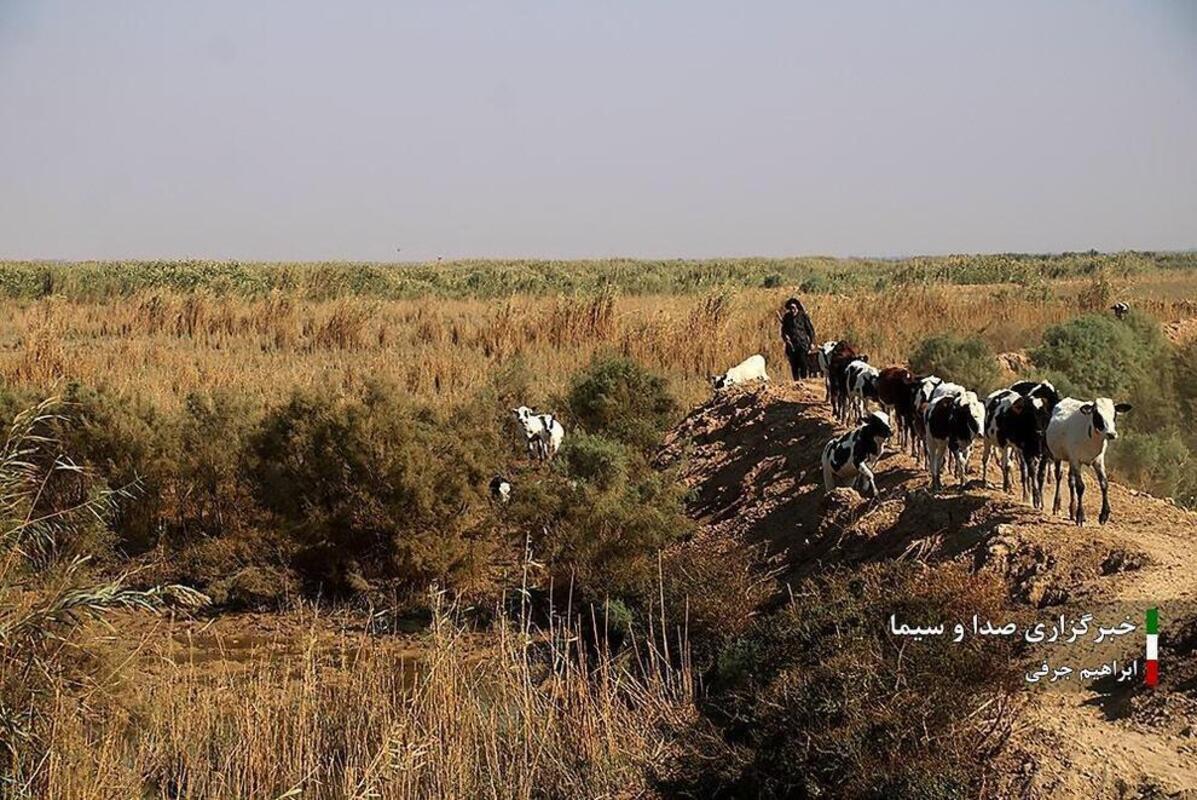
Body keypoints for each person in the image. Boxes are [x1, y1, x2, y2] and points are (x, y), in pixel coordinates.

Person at [779, 297, 816, 380]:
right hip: (791, 346)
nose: (792, 310)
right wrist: (786, 338)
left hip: (802, 344)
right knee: (794, 366)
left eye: (794, 308)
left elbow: (810, 330)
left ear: (797, 307)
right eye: (790, 308)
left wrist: (812, 343)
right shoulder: (787, 317)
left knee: (803, 364)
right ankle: (796, 383)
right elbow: (783, 330)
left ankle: (804, 381)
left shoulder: (803, 316)